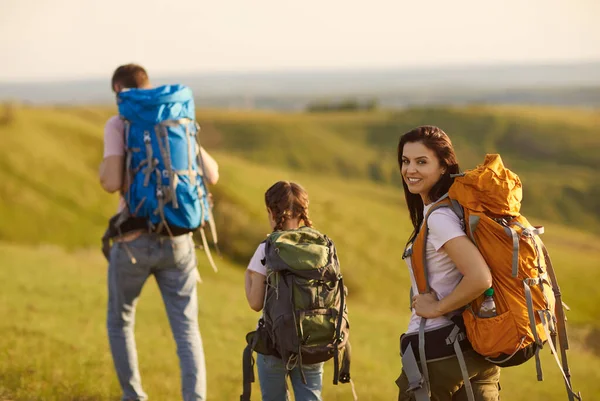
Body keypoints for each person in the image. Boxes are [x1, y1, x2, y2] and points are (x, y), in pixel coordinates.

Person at [98, 63, 219, 401]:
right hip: (179, 241)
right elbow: (213, 175)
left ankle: (134, 397)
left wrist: (104, 169)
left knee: (120, 322)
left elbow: (110, 182)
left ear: (120, 92)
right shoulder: (176, 119)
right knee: (186, 329)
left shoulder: (120, 122)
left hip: (133, 242)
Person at [395, 126, 501, 401]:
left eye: (421, 162)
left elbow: (480, 277)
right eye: (405, 161)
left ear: (444, 167)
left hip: (438, 352)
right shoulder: (456, 210)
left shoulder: (440, 219)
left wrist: (437, 307)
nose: (410, 170)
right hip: (476, 351)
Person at [244, 181, 326, 401]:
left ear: (271, 212)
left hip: (274, 345)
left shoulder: (268, 247)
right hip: (314, 341)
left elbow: (255, 303)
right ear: (303, 212)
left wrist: (248, 277)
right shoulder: (321, 247)